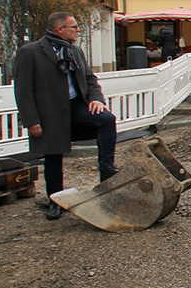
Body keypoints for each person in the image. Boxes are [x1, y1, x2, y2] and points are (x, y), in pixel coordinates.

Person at [14, 11, 118, 220]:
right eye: (74, 27)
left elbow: (89, 78)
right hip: (49, 112)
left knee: (106, 120)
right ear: (59, 29)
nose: (78, 30)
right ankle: (55, 201)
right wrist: (31, 121)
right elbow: (23, 90)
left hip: (76, 106)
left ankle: (106, 168)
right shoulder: (30, 52)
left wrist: (96, 98)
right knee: (53, 157)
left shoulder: (74, 51)